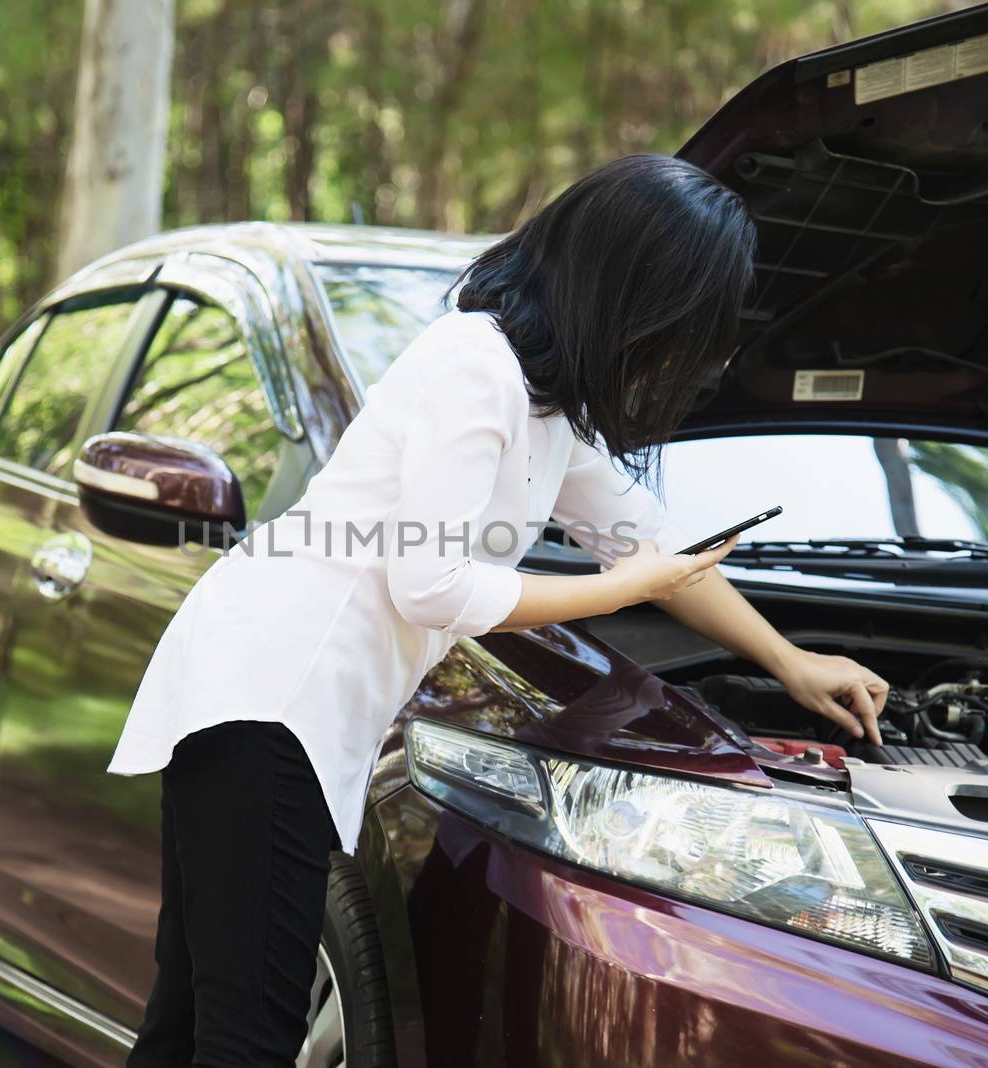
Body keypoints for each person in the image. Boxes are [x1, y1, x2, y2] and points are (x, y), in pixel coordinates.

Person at [108, 153, 889, 1066]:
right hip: (270, 692)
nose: (685, 356)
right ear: (633, 292)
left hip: (275, 692)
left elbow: (653, 545)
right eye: (686, 324)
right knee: (245, 1036)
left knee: (189, 1020)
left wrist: (791, 661)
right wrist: (625, 591)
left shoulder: (544, 405)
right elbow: (431, 585)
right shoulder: (474, 367)